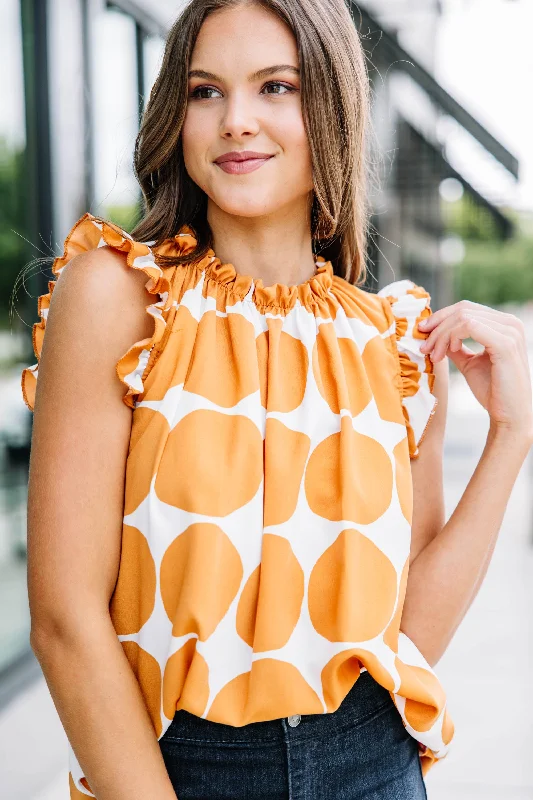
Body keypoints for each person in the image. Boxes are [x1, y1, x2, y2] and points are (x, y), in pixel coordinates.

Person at [20, 1, 533, 799]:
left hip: (373, 766)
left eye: (275, 86)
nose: (235, 121)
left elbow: (405, 641)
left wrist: (510, 434)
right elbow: (64, 622)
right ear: (175, 115)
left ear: (330, 105)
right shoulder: (120, 296)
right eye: (204, 91)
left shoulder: (395, 342)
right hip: (179, 771)